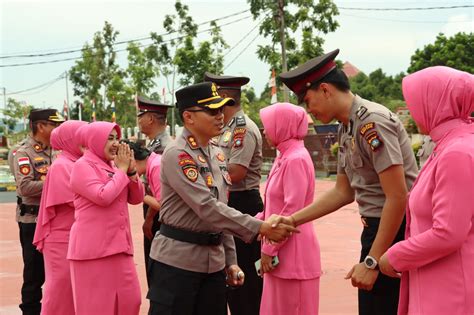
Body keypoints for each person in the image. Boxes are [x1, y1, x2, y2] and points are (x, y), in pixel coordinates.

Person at [273, 49, 418, 315]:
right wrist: (293, 220)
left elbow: (398, 197)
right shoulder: (347, 125)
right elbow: (343, 192)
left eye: (308, 100)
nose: (309, 110)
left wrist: (372, 262)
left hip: (394, 232)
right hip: (376, 231)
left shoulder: (370, 123)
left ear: (326, 90)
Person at [146, 82, 298, 315]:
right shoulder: (177, 154)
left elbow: (221, 207)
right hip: (177, 264)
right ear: (189, 117)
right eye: (212, 111)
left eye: (221, 110)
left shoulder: (216, 152)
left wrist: (231, 261)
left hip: (213, 265)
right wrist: (262, 227)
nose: (220, 116)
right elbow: (207, 208)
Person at [378, 66, 474, 315]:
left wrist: (396, 255)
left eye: (416, 103)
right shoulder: (448, 146)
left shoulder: (457, 153)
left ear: (436, 103)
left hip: (450, 291)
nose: (412, 111)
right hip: (436, 282)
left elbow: (448, 233)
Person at [68, 121, 144, 315]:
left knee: (131, 301)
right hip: (94, 252)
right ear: (95, 140)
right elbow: (103, 196)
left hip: (120, 248)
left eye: (116, 138)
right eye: (109, 138)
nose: (116, 143)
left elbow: (136, 198)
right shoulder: (82, 166)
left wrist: (132, 172)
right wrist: (121, 170)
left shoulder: (114, 165)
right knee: (97, 308)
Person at [204, 72, 264, 315]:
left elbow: (237, 172)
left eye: (214, 97)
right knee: (231, 270)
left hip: (243, 202)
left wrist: (204, 175)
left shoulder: (242, 129)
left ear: (225, 97)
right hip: (229, 200)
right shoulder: (223, 129)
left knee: (245, 274)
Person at [257, 103, 321, 315]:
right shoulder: (283, 156)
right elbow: (272, 207)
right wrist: (253, 224)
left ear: (282, 126)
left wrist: (268, 249)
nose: (265, 130)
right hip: (281, 256)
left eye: (269, 125)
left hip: (293, 258)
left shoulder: (295, 159)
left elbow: (291, 211)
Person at [12, 108, 65, 315]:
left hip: (54, 219)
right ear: (41, 126)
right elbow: (24, 187)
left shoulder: (56, 151)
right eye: (54, 125)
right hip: (32, 220)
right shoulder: (24, 152)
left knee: (56, 272)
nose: (57, 129)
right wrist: (55, 180)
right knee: (34, 275)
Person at [32, 120, 87, 315]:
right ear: (70, 140)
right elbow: (80, 200)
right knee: (60, 291)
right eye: (82, 137)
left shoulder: (78, 163)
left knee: (74, 291)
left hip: (75, 236)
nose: (86, 141)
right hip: (61, 239)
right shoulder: (62, 166)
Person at [136, 96, 173, 286]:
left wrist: (149, 220)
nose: (138, 120)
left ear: (150, 119)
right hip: (155, 210)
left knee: (158, 271)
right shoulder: (153, 144)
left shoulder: (162, 149)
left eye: (140, 115)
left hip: (158, 214)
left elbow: (160, 192)